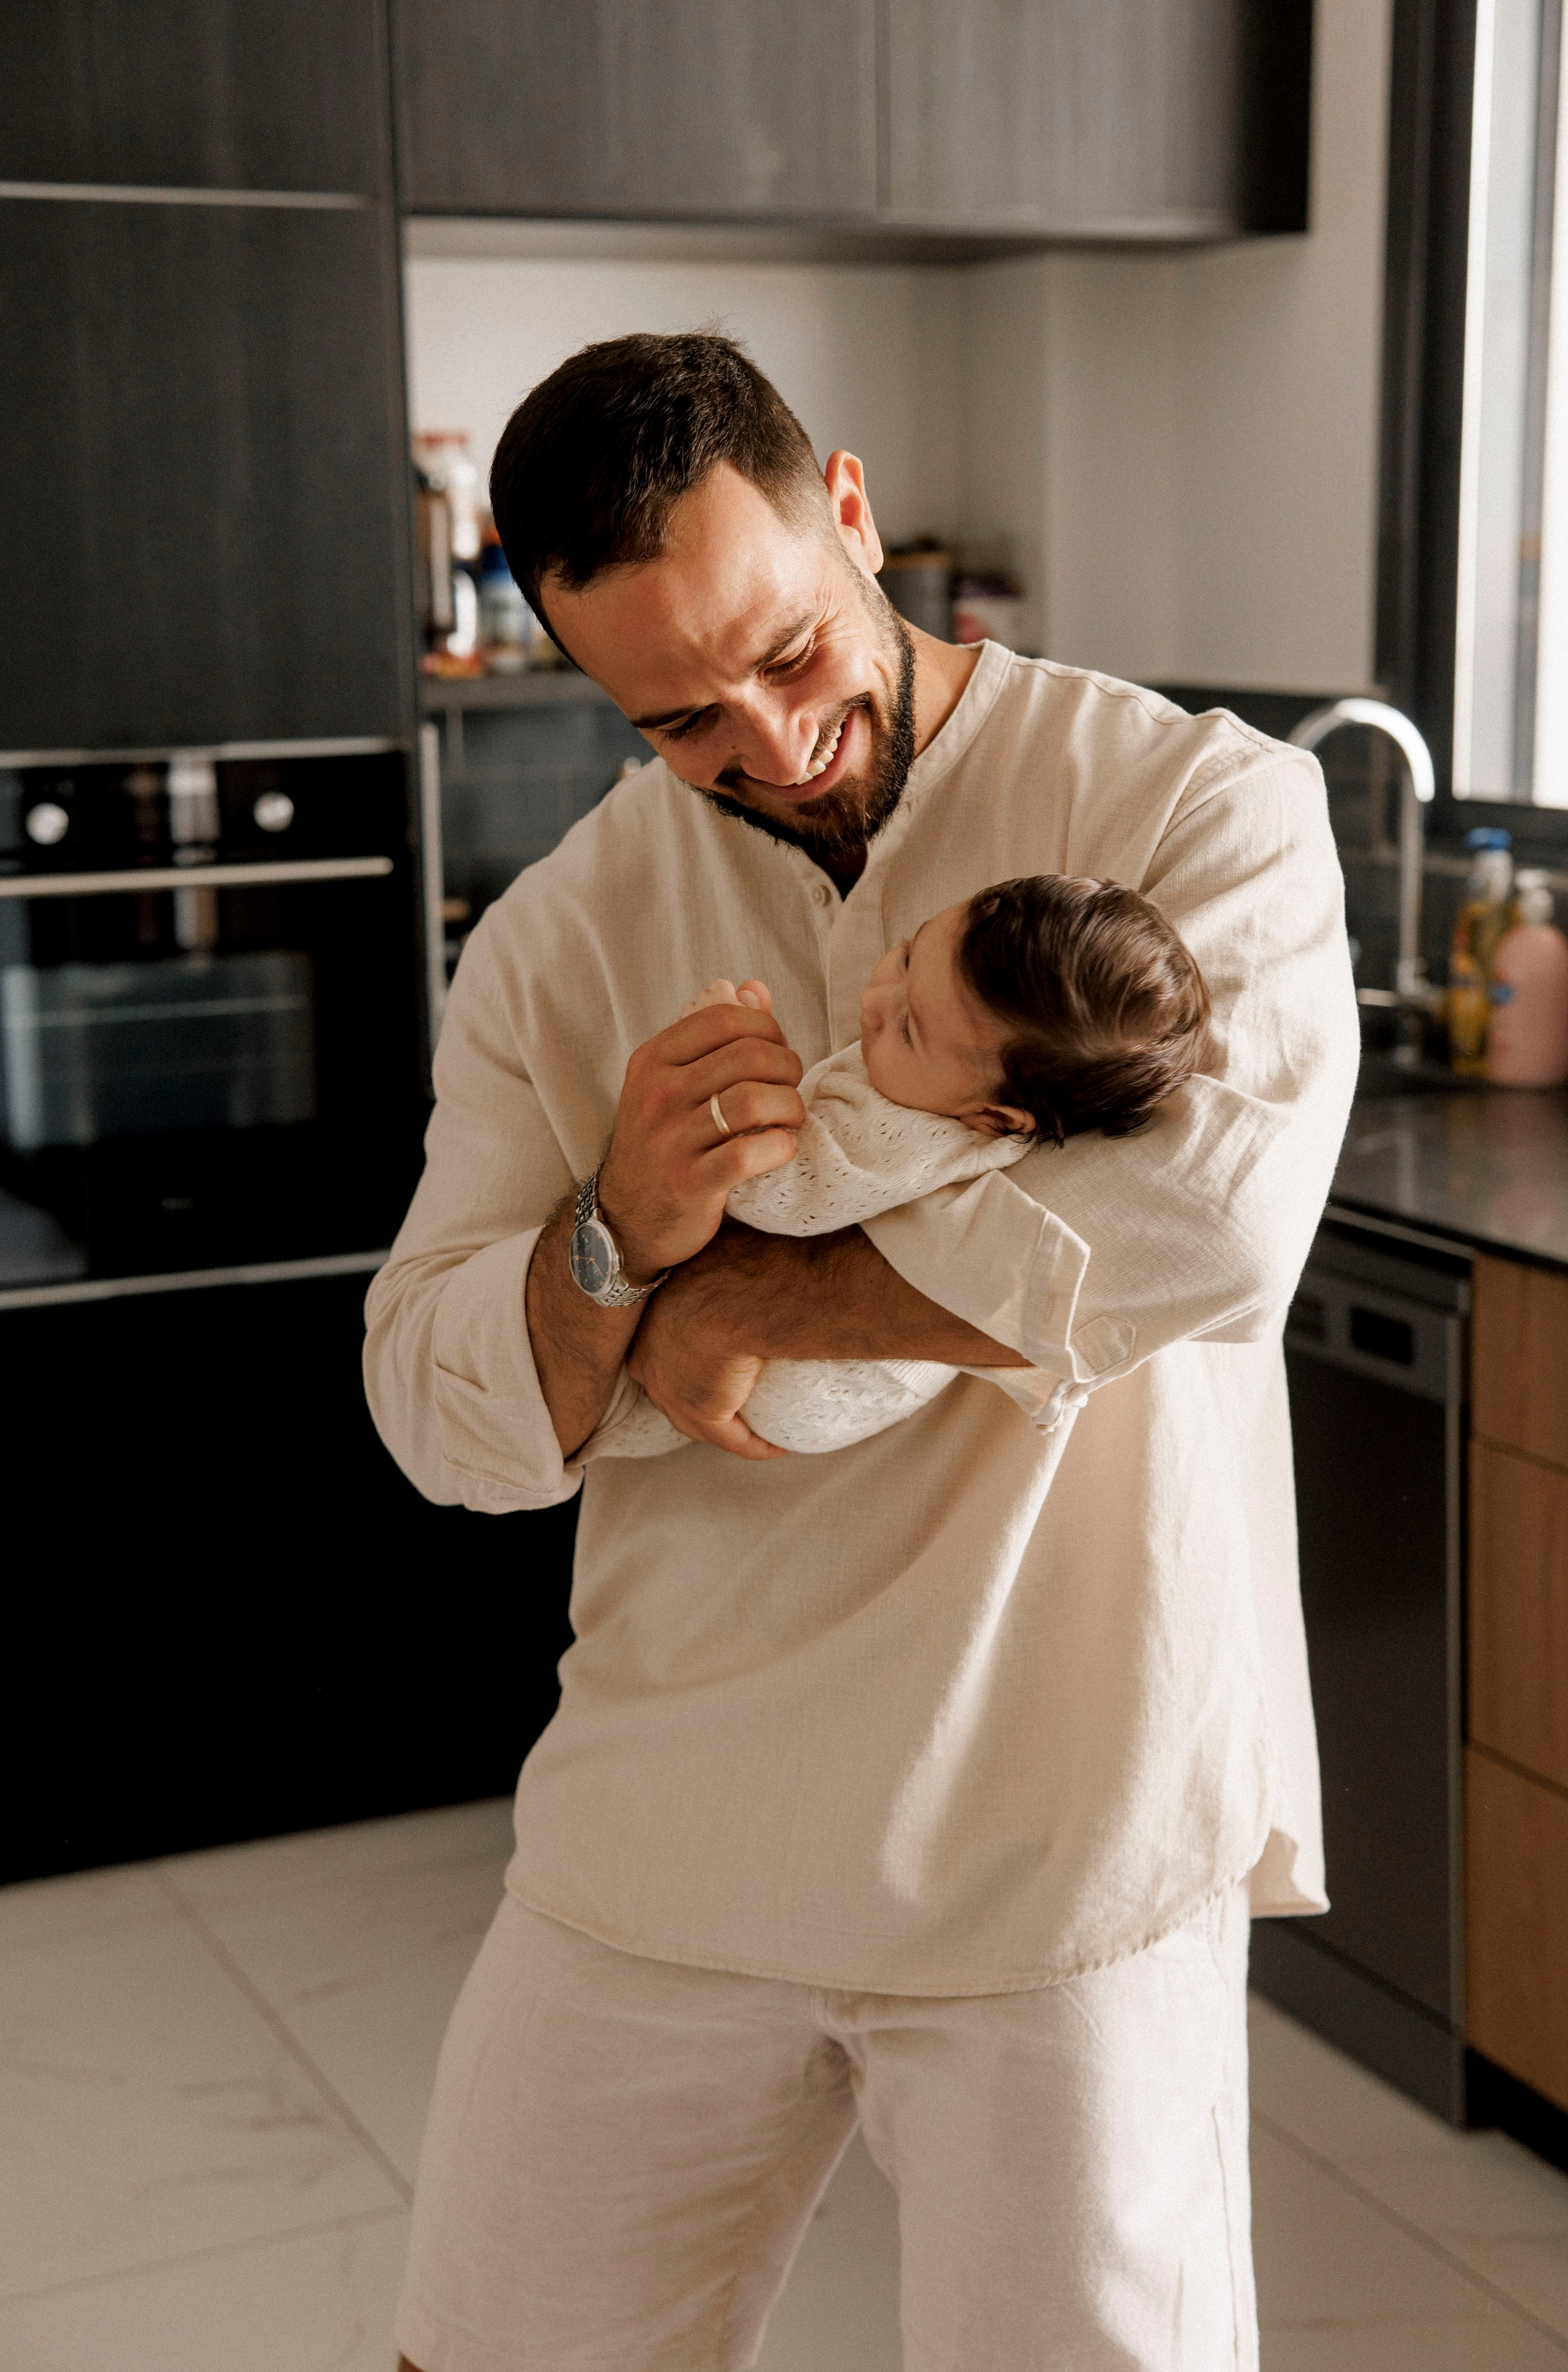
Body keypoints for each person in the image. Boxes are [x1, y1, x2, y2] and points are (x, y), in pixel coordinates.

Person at [366, 330, 1358, 2371]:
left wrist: (754, 1302)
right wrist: (614, 1234)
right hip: (661, 1835)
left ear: (849, 513)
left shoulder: (1195, 804)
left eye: (794, 659)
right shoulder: (553, 940)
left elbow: (1216, 1228)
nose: (775, 744)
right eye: (680, 719)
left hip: (1062, 1844)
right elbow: (432, 1408)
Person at [590, 873, 1213, 1457]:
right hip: (808, 1376)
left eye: (909, 1029)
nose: (876, 1000)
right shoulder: (943, 1089)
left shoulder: (908, 1133)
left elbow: (773, 1199)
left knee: (621, 1407)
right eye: (910, 955)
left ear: (993, 1119)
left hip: (802, 1393)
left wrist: (720, 1058)